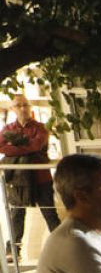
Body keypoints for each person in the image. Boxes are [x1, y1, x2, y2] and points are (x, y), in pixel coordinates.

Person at [1, 95, 60, 260]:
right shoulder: (8, 129)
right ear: (13, 108)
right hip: (19, 180)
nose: (22, 108)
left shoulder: (40, 128)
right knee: (16, 214)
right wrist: (24, 148)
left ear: (30, 107)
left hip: (40, 178)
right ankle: (12, 251)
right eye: (18, 105)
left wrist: (13, 147)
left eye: (25, 105)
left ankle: (64, 246)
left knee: (49, 214)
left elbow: (36, 145)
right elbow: (1, 147)